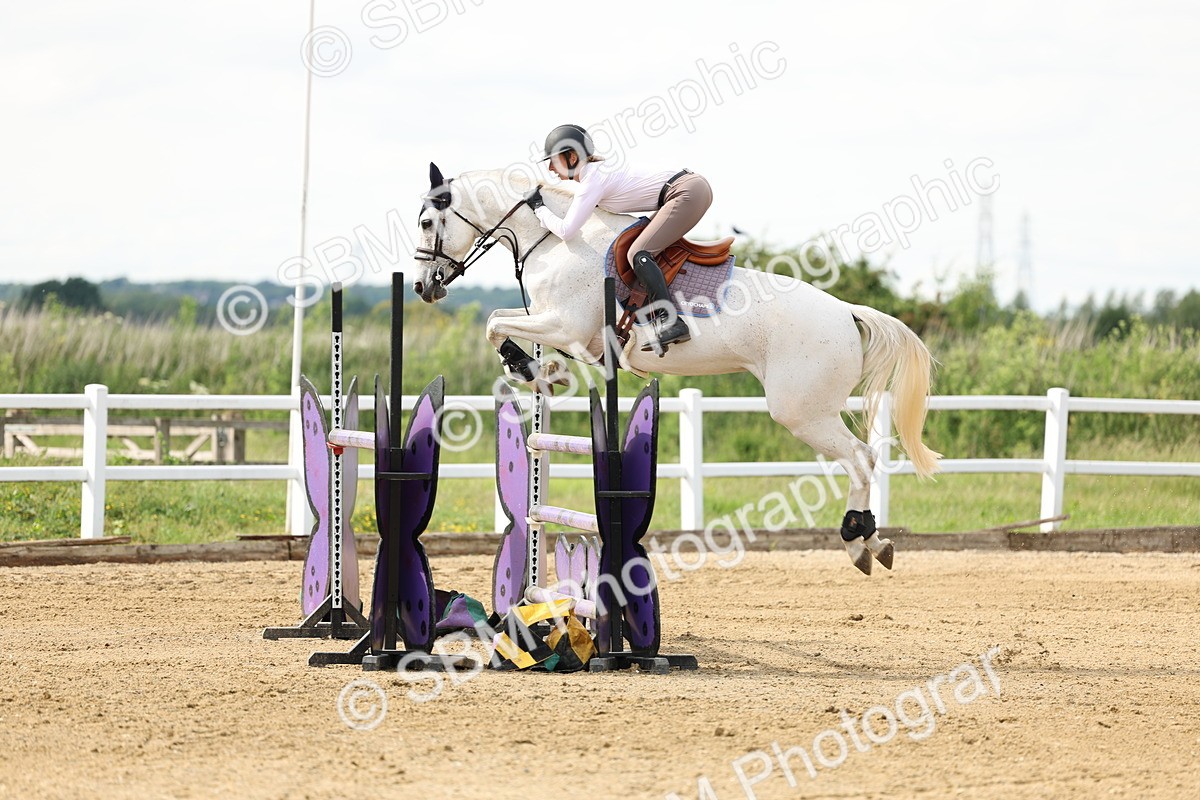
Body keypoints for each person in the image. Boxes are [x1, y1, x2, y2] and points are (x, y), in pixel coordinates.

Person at [522, 124, 713, 354]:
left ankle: (670, 321)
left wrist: (539, 208)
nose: (551, 168)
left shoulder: (592, 181)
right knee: (642, 249)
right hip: (686, 189)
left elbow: (566, 230)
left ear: (572, 157)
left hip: (686, 192)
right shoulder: (594, 176)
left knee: (638, 254)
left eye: (554, 160)